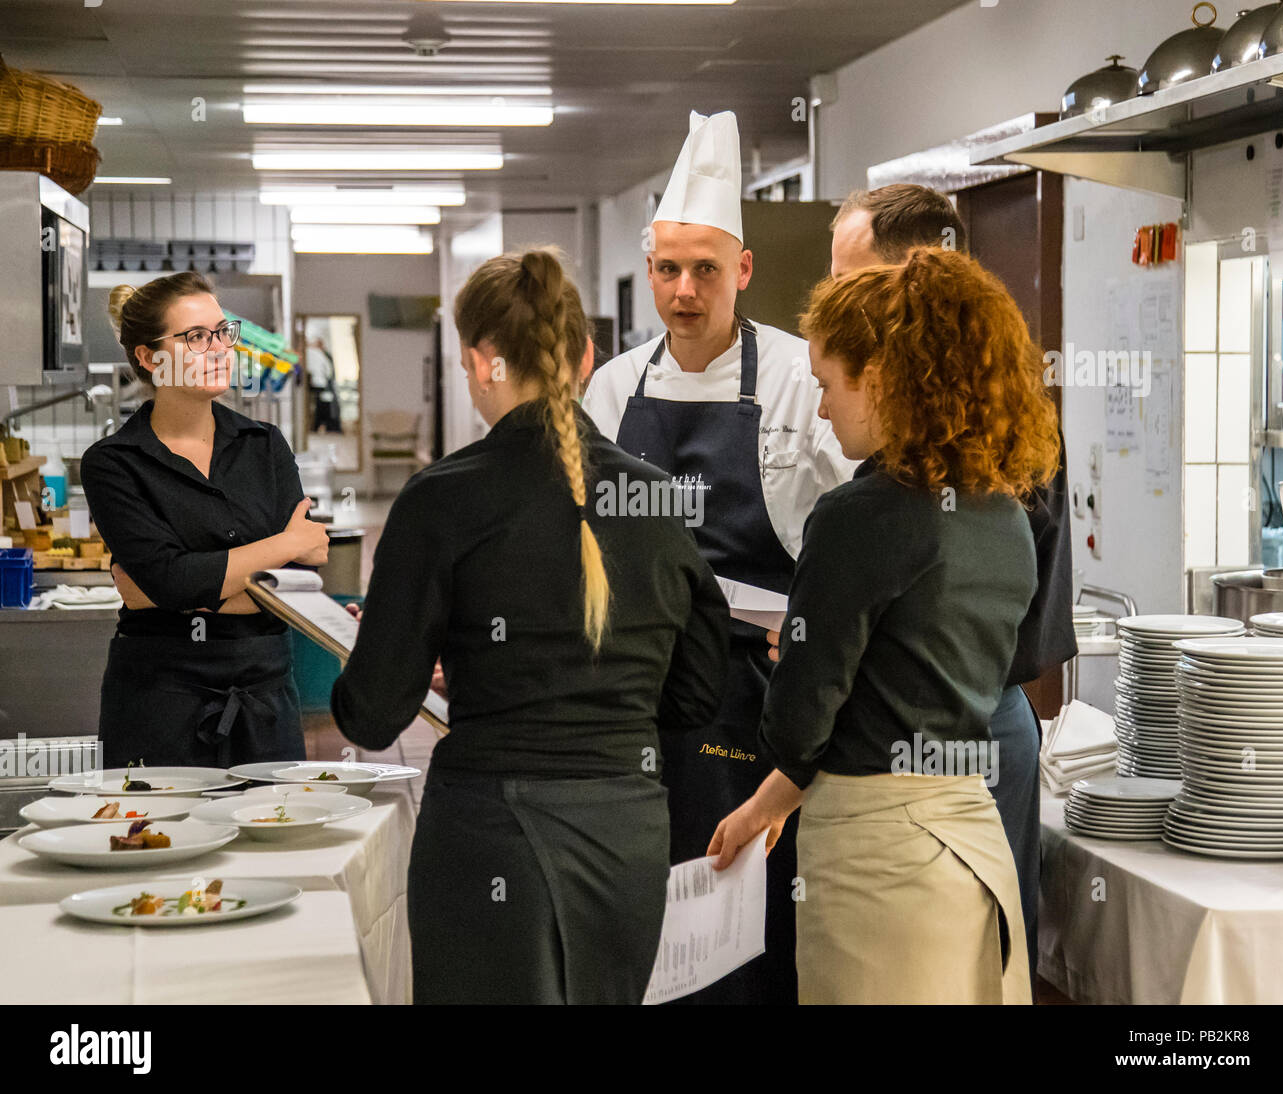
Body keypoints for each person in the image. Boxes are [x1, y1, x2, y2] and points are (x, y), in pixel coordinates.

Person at [330, 249, 731, 1005]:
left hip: (492, 834)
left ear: (483, 363)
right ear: (584, 356)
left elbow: (374, 713)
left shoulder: (441, 501)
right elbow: (697, 692)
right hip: (627, 837)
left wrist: (405, 654)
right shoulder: (658, 500)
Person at [709, 248, 1061, 1004]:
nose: (824, 407)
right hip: (969, 844)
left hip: (881, 864)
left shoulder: (856, 517)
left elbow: (798, 724)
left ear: (883, 378)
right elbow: (903, 689)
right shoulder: (1003, 514)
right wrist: (765, 807)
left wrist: (798, 647)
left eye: (829, 383)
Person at [583, 109, 857, 1005]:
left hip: (756, 696)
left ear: (743, 270)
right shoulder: (613, 387)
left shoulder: (793, 375)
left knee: (749, 926)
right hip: (638, 693)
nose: (685, 291)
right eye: (668, 269)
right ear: (650, 271)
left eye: (706, 270)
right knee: (647, 913)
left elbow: (857, 524)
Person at [830, 183, 1077, 979]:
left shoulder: (990, 421)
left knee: (969, 967)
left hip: (963, 728)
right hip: (942, 723)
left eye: (853, 279)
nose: (838, 297)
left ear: (914, 282)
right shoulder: (892, 411)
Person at [81, 272, 328, 768]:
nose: (218, 349)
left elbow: (307, 572)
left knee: (275, 839)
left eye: (222, 332)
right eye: (195, 337)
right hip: (161, 698)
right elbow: (174, 581)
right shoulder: (115, 462)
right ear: (150, 358)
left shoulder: (265, 445)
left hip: (265, 694)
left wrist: (182, 589)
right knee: (154, 838)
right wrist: (285, 544)